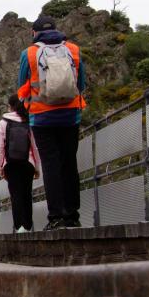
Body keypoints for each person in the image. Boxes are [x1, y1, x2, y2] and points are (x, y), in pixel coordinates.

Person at [17, 15, 87, 230]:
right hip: (70, 116)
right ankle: (72, 216)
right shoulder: (73, 50)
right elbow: (81, 83)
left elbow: (21, 87)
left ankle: (55, 217)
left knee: (51, 166)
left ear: (34, 32)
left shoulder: (29, 53)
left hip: (42, 118)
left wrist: (29, 104)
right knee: (69, 164)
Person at [0, 94, 41, 233]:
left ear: (10, 106)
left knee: (15, 194)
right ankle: (28, 226)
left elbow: (0, 148)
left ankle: (19, 226)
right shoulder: (28, 121)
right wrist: (36, 167)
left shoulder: (3, 122)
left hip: (11, 164)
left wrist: (1, 167)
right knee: (27, 194)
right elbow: (34, 146)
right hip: (27, 163)